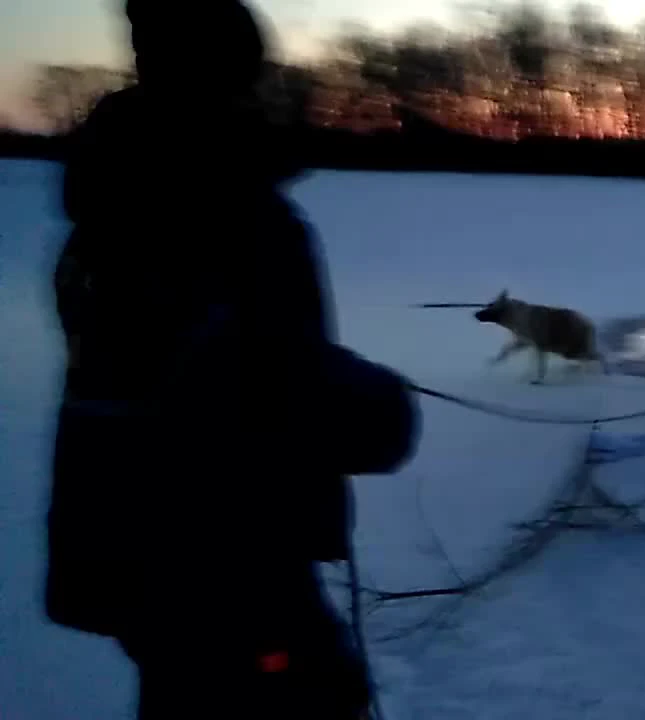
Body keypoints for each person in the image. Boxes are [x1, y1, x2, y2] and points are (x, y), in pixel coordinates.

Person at [45, 1, 417, 718]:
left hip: (134, 555)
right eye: (251, 75)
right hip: (231, 562)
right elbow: (268, 388)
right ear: (226, 81)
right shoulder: (228, 216)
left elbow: (193, 365)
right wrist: (382, 404)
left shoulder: (110, 208)